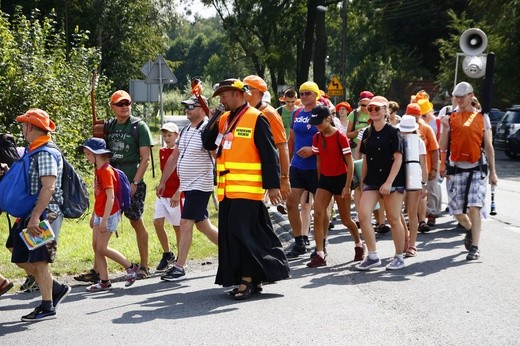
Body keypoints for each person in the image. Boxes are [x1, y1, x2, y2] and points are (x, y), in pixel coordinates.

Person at [202, 78, 290, 300]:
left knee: (243, 236)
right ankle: (250, 277)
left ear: (239, 94)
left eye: (224, 95)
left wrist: (273, 186)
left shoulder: (256, 118)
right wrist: (214, 116)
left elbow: (269, 154)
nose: (222, 100)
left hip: (248, 190)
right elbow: (207, 142)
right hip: (228, 190)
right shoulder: (224, 119)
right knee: (233, 236)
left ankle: (248, 280)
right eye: (220, 97)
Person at [75, 90, 154, 282]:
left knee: (136, 221)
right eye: (120, 104)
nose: (124, 106)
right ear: (112, 107)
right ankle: (98, 272)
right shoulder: (108, 126)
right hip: (110, 181)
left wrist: (135, 182)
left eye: (127, 103)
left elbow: (145, 159)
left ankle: (144, 266)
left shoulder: (139, 126)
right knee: (101, 225)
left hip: (130, 180)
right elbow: (97, 152)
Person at [9, 109, 71, 321]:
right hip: (31, 211)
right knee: (16, 251)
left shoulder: (45, 152)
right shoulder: (33, 150)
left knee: (40, 260)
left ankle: (47, 306)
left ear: (31, 127)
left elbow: (49, 187)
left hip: (45, 213)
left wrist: (36, 217)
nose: (22, 129)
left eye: (24, 125)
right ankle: (55, 288)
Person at [157, 96, 218, 281]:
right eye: (186, 107)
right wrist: (163, 181)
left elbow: (216, 154)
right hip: (187, 185)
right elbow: (174, 157)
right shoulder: (185, 130)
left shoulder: (207, 130)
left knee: (185, 223)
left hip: (200, 184)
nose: (187, 110)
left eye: (192, 106)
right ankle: (232, 251)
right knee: (203, 225)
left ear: (202, 108)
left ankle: (180, 267)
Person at [439, 82, 498, 260]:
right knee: (457, 211)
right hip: (456, 169)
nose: (458, 100)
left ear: (471, 96)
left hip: (477, 168)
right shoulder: (450, 117)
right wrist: (446, 129)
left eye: (462, 97)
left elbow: (488, 147)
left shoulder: (482, 117)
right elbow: (442, 146)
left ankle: (475, 247)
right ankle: (471, 230)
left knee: (474, 206)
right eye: (456, 97)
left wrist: (493, 172)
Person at [78, 138, 140, 291]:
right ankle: (104, 281)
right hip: (100, 213)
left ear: (97, 154)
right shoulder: (97, 169)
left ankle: (131, 267)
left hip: (109, 214)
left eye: (88, 153)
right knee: (96, 246)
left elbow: (111, 197)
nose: (86, 157)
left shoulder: (106, 171)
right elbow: (99, 195)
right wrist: (94, 215)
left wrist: (104, 220)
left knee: (102, 248)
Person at [306, 105, 364, 268]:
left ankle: (359, 244)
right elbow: (318, 160)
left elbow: (350, 163)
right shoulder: (317, 137)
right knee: (317, 214)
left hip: (341, 179)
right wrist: (319, 183)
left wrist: (347, 186)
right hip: (324, 180)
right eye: (315, 122)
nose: (317, 125)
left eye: (320, 122)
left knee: (346, 219)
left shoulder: (340, 137)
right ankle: (319, 254)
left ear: (329, 119)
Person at [355, 96, 407, 271]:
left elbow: (398, 159)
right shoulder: (367, 133)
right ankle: (372, 256)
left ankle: (399, 256)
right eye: (370, 109)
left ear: (386, 110)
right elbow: (364, 160)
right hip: (372, 181)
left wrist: (389, 182)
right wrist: (362, 184)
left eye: (377, 109)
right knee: (363, 215)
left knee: (393, 218)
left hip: (392, 181)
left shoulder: (394, 132)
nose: (374, 112)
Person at [285, 81, 321, 259]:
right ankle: (299, 241)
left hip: (317, 167)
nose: (304, 96)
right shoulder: (297, 112)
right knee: (291, 203)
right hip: (298, 166)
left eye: (308, 93)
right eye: (302, 93)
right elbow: (291, 139)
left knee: (320, 208)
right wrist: (287, 163)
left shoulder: (322, 112)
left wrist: (313, 150)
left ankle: (321, 244)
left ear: (316, 95)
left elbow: (332, 140)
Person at [243, 75, 291, 201]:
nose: (242, 91)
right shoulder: (245, 112)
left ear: (258, 92)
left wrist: (284, 179)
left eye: (246, 88)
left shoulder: (269, 114)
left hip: (263, 176)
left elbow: (282, 146)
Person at [397, 113, 428, 257]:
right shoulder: (396, 139)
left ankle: (412, 245)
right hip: (399, 174)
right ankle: (405, 238)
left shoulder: (419, 142)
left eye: (407, 130)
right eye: (403, 129)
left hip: (414, 175)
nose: (405, 132)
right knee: (396, 211)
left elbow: (423, 164)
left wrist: (424, 183)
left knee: (412, 212)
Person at [153, 123, 181, 271]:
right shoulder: (162, 151)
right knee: (157, 222)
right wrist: (160, 184)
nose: (167, 138)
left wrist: (178, 192)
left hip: (175, 194)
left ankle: (181, 258)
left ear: (177, 135)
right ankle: (167, 253)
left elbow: (183, 173)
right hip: (163, 193)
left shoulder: (181, 152)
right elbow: (164, 171)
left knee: (178, 227)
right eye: (164, 135)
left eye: (170, 135)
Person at [408, 101, 439, 233]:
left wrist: (434, 169)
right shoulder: (402, 128)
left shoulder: (426, 128)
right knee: (409, 196)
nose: (414, 119)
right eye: (411, 116)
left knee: (423, 194)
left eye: (416, 116)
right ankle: (412, 219)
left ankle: (423, 220)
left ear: (420, 116)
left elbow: (434, 150)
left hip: (423, 168)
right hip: (407, 169)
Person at [418, 98, 442, 226]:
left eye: (424, 115)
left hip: (429, 164)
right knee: (419, 193)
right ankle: (420, 216)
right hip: (415, 168)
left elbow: (434, 149)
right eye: (419, 115)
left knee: (432, 190)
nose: (421, 117)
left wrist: (434, 168)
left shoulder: (430, 126)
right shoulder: (410, 126)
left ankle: (432, 214)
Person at [346, 90, 373, 160]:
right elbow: (348, 134)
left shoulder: (375, 114)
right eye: (363, 105)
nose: (366, 107)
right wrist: (357, 132)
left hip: (371, 147)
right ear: (360, 104)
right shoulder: (354, 114)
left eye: (368, 105)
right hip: (356, 147)